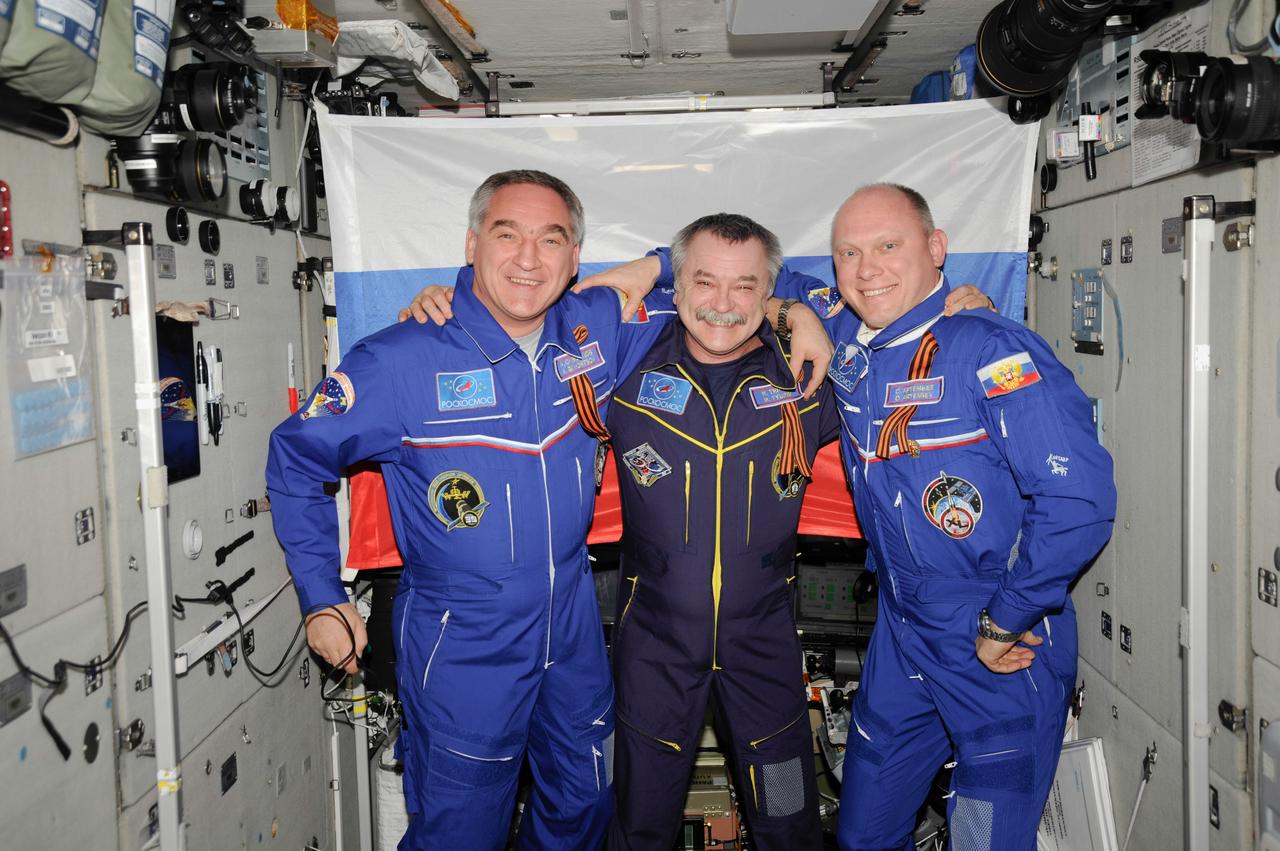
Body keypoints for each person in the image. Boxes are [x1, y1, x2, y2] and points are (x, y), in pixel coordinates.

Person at [266, 169, 832, 851]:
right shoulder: (402, 358)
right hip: (463, 639)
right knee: (459, 833)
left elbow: (726, 290)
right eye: (509, 236)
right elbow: (295, 457)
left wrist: (792, 312)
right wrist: (321, 597)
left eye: (552, 240)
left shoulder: (597, 332)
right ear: (473, 244)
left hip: (573, 636)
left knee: (583, 808)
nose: (530, 259)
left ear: (574, 261)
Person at [586, 184, 1117, 850]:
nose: (867, 269)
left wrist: (1007, 614)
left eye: (888, 246)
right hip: (893, 630)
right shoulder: (837, 344)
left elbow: (1079, 498)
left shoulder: (975, 348)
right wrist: (663, 265)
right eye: (849, 253)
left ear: (936, 248)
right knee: (859, 830)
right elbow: (565, 314)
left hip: (992, 629)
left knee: (974, 833)